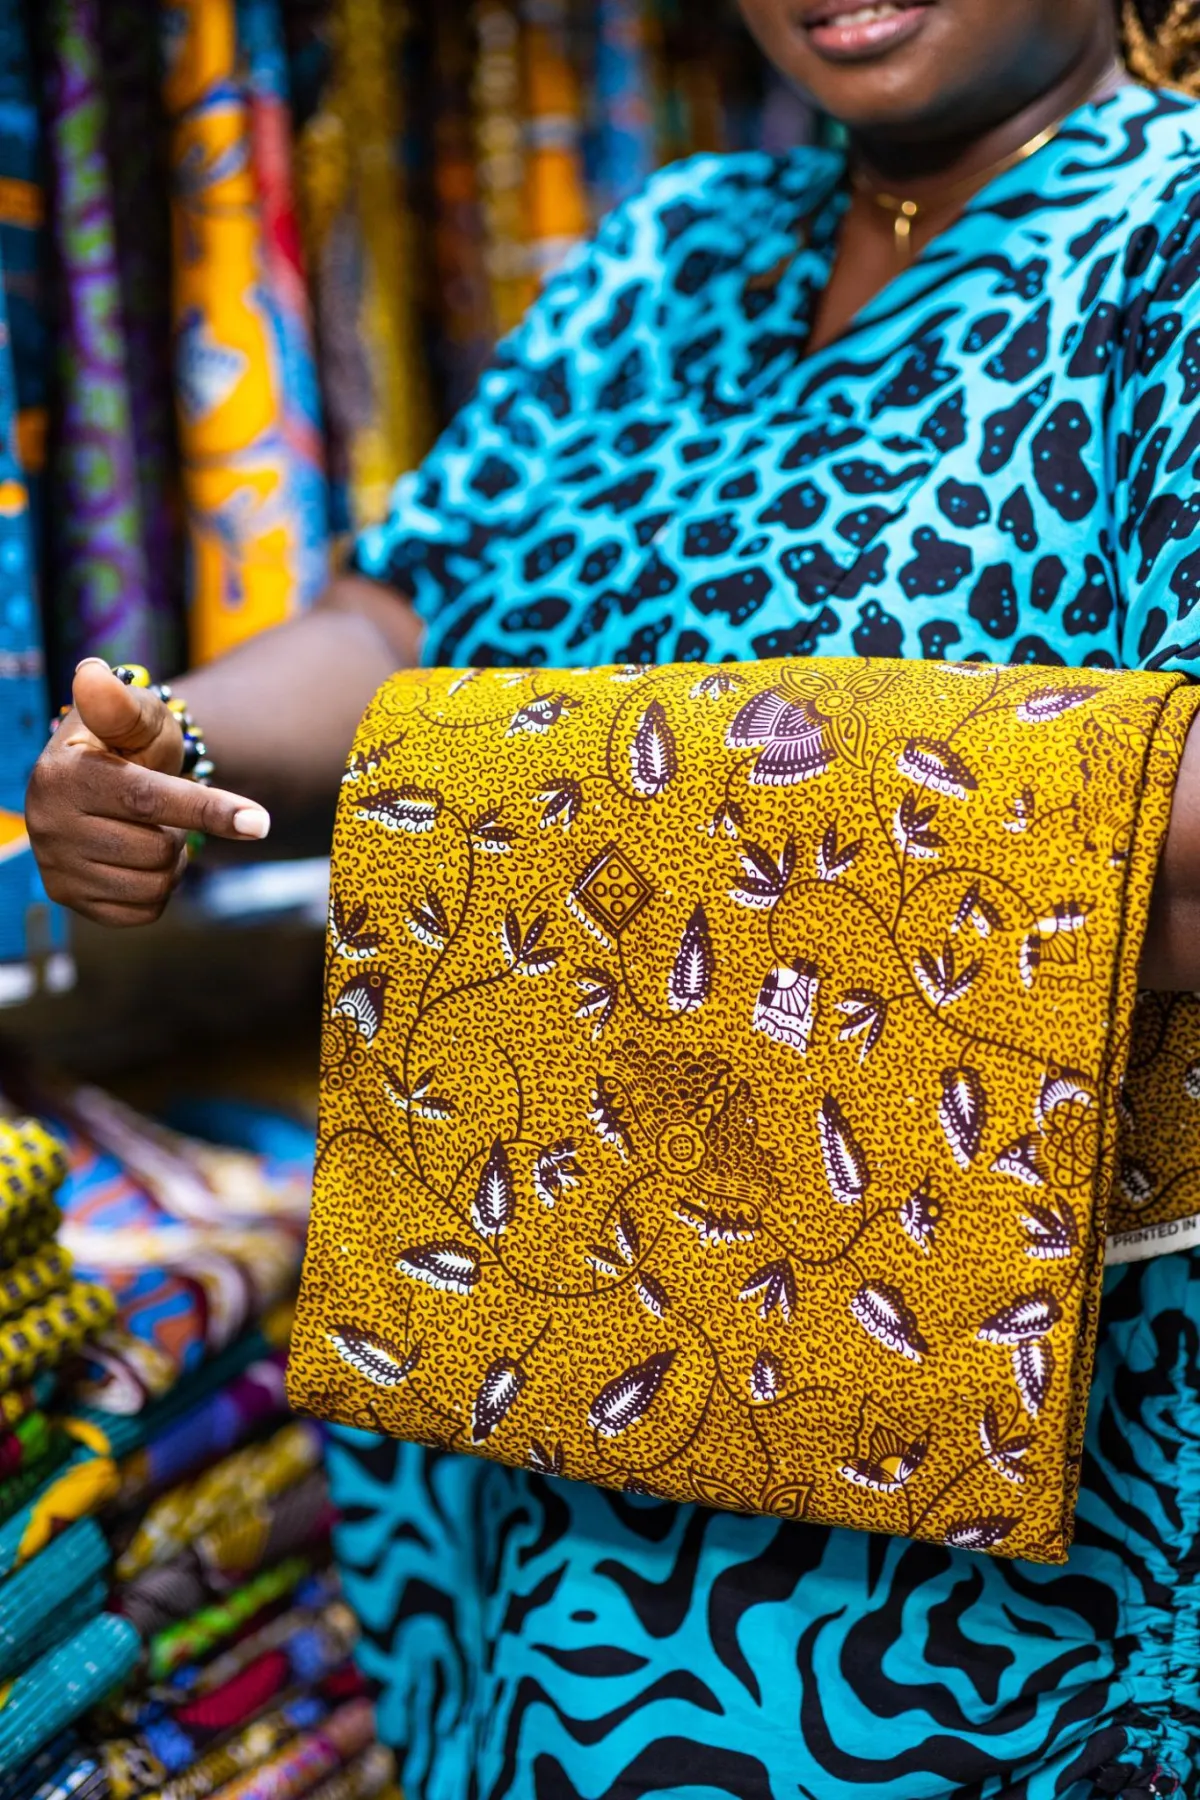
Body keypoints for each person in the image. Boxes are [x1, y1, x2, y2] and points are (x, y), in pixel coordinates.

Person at [25, 0, 1200, 1792]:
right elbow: (401, 614)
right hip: (539, 1341)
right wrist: (175, 745)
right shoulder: (674, 254)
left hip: (991, 1414)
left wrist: (602, 812)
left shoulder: (1171, 238)